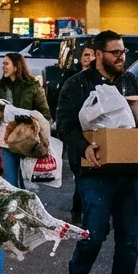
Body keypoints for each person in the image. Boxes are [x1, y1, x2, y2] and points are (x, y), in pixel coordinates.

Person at [57, 30, 138, 274]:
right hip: (95, 173)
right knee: (94, 235)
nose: (122, 57)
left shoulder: (133, 82)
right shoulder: (77, 85)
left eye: (123, 52)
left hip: (130, 173)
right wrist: (84, 148)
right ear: (98, 54)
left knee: (129, 242)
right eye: (115, 53)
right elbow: (65, 125)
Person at [0, 52, 51, 188]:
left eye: (6, 64)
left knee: (26, 184)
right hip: (6, 140)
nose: (3, 67)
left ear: (16, 66)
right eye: (3, 64)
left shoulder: (33, 86)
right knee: (9, 183)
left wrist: (29, 118)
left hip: (27, 141)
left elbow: (45, 114)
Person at [63, 43, 97, 224]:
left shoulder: (99, 82)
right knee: (80, 176)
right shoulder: (73, 81)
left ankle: (85, 212)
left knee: (87, 177)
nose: (88, 58)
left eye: (91, 55)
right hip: (78, 134)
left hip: (94, 134)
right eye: (85, 55)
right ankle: (78, 210)